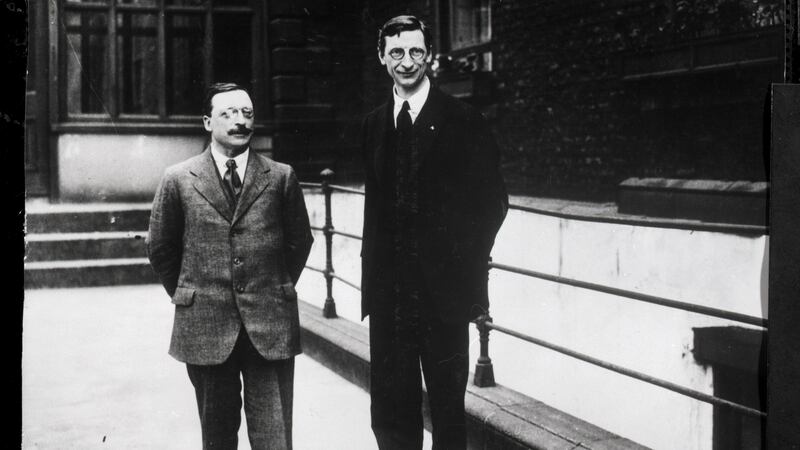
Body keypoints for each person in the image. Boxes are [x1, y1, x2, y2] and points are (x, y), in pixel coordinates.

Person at [360, 15, 508, 450]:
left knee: (447, 413)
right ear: (382, 57)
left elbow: (492, 203)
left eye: (417, 52)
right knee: (390, 414)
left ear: (430, 56)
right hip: (390, 297)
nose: (408, 62)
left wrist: (462, 270)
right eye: (398, 53)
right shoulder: (372, 125)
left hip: (442, 297)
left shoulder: (463, 119)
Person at [147, 82, 313, 450]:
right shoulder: (178, 179)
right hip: (206, 325)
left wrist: (272, 285)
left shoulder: (281, 176)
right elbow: (161, 248)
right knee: (217, 438)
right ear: (207, 122)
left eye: (247, 113)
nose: (240, 122)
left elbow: (299, 242)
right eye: (228, 113)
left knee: (274, 439)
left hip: (269, 323)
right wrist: (192, 293)